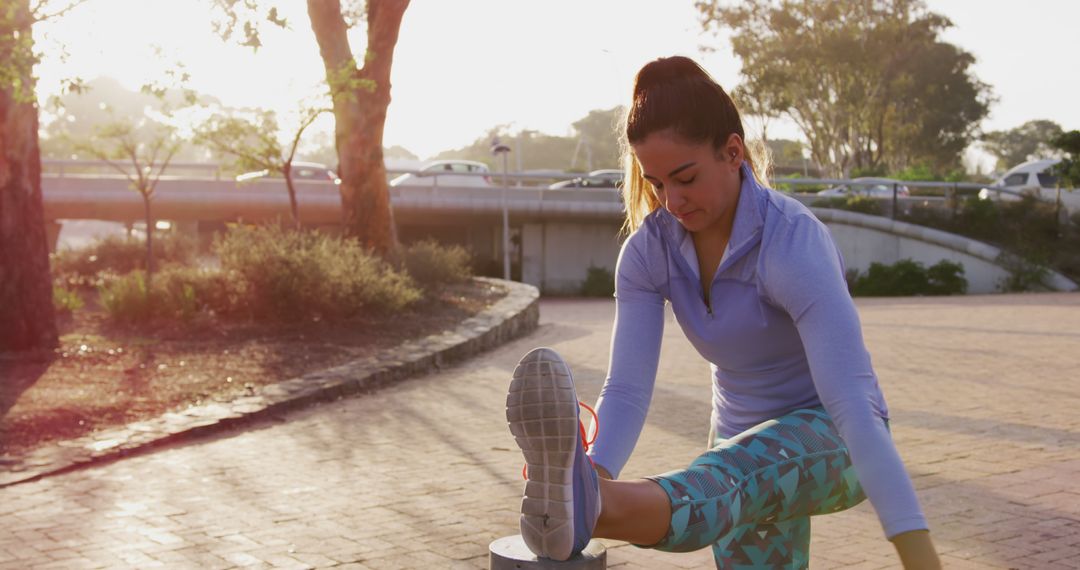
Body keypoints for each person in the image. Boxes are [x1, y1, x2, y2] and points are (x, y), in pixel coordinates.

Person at [504, 56, 941, 569]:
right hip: (735, 440)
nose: (671, 200)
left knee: (728, 477)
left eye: (685, 178)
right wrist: (597, 467)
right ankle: (583, 495)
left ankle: (590, 505)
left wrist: (918, 554)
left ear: (733, 152)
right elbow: (626, 388)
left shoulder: (792, 242)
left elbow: (851, 403)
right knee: (731, 478)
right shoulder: (649, 253)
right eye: (658, 183)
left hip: (835, 440)